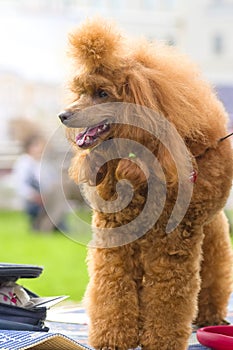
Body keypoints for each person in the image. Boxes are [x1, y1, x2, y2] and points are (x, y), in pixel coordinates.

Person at [13, 135, 67, 232]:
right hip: (34, 201)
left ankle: (52, 225)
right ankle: (42, 225)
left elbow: (53, 181)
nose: (42, 148)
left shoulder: (45, 162)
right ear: (29, 148)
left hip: (47, 198)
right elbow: (21, 187)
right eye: (37, 145)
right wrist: (35, 196)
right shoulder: (24, 163)